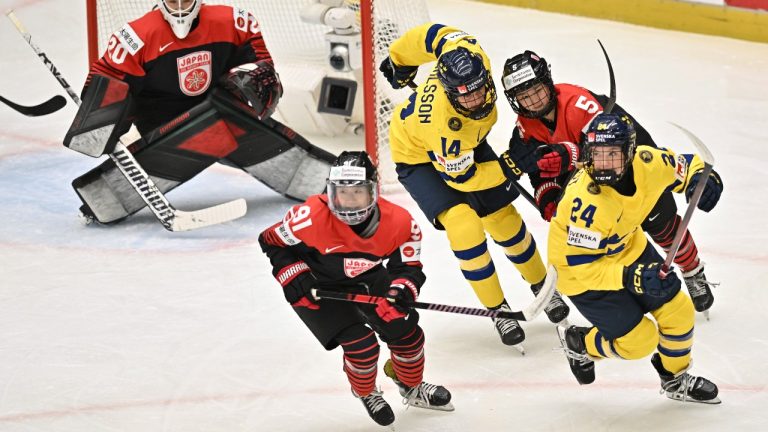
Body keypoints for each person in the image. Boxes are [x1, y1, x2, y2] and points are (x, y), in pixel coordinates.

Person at [379, 23, 569, 350]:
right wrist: (510, 167)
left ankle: (543, 287)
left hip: (468, 144)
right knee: (464, 225)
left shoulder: (467, 52)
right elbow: (463, 179)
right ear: (450, 92)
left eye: (480, 89)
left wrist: (399, 59)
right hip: (420, 159)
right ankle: (498, 309)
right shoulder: (445, 130)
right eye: (465, 96)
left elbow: (432, 35)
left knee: (504, 219)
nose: (476, 99)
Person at [64, 0, 335, 225]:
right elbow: (108, 79)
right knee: (212, 123)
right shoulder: (136, 36)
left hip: (221, 109)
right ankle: (103, 199)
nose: (180, 6)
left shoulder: (234, 21)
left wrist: (255, 82)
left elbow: (262, 67)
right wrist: (103, 122)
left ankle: (334, 183)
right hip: (162, 119)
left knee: (222, 115)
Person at [499, 50, 717, 316]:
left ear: (548, 82)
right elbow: (538, 171)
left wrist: (571, 154)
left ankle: (692, 270)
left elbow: (613, 152)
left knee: (663, 227)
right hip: (595, 189)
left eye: (537, 91)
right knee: (596, 243)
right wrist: (548, 194)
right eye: (524, 96)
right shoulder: (524, 129)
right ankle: (622, 292)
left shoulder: (580, 106)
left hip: (629, 170)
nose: (533, 101)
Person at [258, 151, 453, 426]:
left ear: (373, 190)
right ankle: (365, 391)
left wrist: (401, 291)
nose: (348, 202)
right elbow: (270, 240)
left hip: (369, 279)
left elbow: (408, 268)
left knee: (407, 335)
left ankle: (411, 386)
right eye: (341, 193)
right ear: (329, 192)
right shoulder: (308, 217)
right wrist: (293, 275)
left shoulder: (400, 223)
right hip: (318, 288)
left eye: (357, 192)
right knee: (362, 346)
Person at [548, 113, 723, 404]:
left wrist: (703, 180)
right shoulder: (585, 203)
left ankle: (675, 378)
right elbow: (584, 268)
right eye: (596, 155)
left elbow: (689, 164)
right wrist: (632, 276)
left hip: (628, 248)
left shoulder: (647, 161)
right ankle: (581, 343)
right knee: (639, 342)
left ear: (629, 153)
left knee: (678, 310)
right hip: (579, 273)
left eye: (612, 155)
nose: (602, 165)